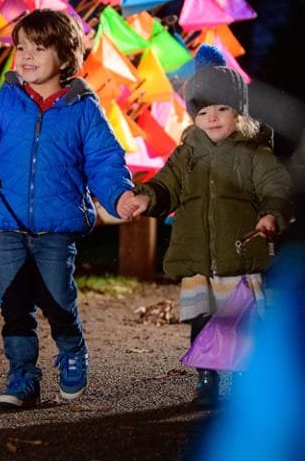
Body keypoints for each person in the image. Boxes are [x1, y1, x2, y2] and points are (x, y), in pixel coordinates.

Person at [0, 8, 137, 408]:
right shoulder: (6, 102)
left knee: (57, 300)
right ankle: (23, 375)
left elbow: (104, 160)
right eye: (21, 48)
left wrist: (120, 195)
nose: (27, 56)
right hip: (10, 224)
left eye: (39, 48)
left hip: (57, 227)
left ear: (65, 55)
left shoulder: (82, 108)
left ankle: (72, 349)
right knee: (14, 304)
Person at [117, 48, 293, 407]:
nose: (212, 118)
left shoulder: (253, 153)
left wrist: (272, 214)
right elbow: (166, 184)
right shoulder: (187, 154)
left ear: (238, 111)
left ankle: (244, 382)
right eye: (203, 111)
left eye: (222, 109)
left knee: (241, 321)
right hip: (199, 257)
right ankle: (206, 377)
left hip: (239, 256)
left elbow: (276, 188)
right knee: (202, 321)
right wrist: (147, 197)